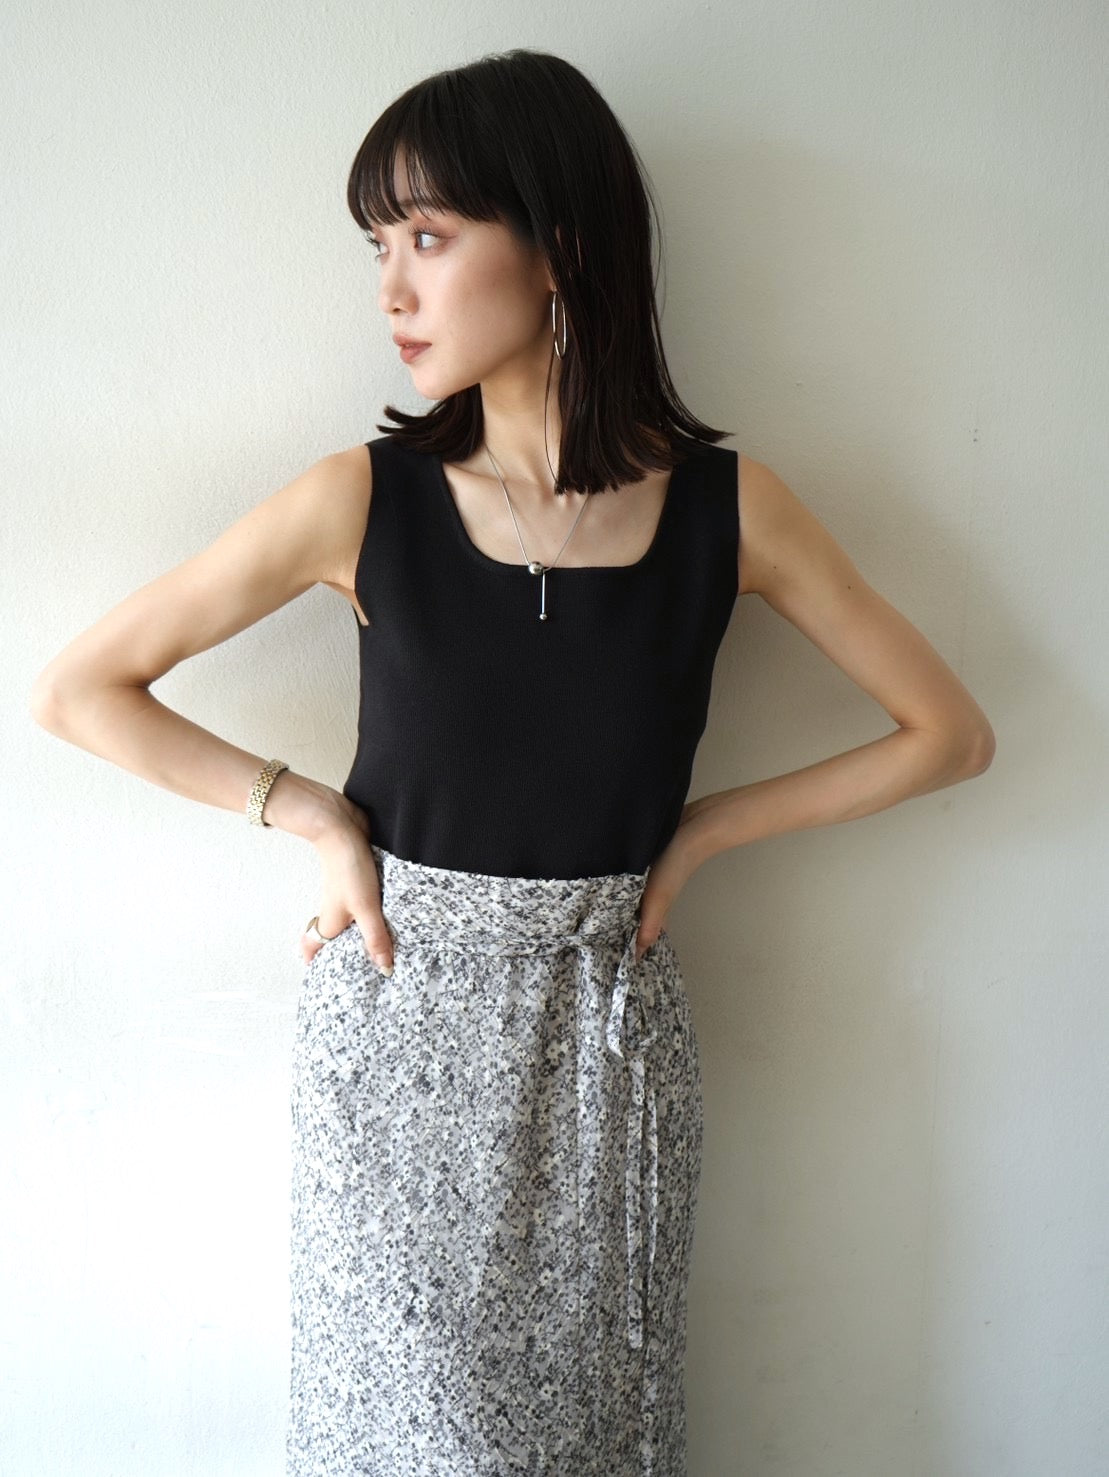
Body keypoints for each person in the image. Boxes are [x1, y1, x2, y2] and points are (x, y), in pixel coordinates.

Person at [29, 47, 995, 1477]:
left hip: (606, 1045)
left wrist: (703, 830)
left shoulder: (731, 511)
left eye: (427, 237)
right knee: (414, 1440)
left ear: (561, 249)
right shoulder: (361, 501)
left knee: (595, 1439)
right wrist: (309, 815)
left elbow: (949, 734)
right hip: (398, 1033)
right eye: (378, 246)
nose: (391, 291)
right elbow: (80, 690)